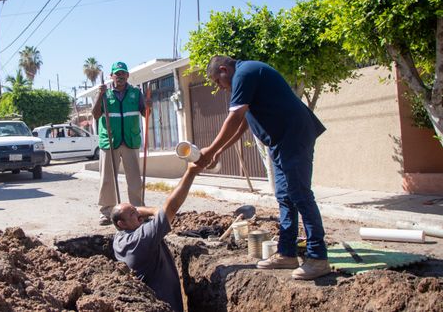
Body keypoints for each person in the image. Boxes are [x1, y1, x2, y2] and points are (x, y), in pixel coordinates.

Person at [196, 55, 330, 280]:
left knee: (300, 195)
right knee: (284, 196)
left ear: (223, 70)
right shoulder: (245, 78)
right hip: (278, 141)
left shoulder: (245, 73)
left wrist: (209, 150)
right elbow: (243, 121)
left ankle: (318, 258)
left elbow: (235, 116)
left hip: (293, 135)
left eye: (217, 82)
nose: (219, 88)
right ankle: (287, 254)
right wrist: (219, 150)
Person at [112, 163, 202, 312]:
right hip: (164, 306)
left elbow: (133, 213)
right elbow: (170, 208)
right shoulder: (139, 240)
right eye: (132, 214)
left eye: (136, 211)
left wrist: (134, 212)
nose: (138, 214)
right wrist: (191, 172)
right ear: (122, 223)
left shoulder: (119, 238)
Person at [92, 61, 151, 226]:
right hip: (109, 141)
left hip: (130, 140)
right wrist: (99, 95)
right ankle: (107, 212)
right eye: (117, 73)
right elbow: (96, 115)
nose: (120, 76)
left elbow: (145, 114)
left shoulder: (135, 92)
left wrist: (148, 106)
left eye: (123, 73)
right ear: (111, 76)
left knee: (134, 179)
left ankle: (138, 210)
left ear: (127, 75)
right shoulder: (104, 93)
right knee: (107, 179)